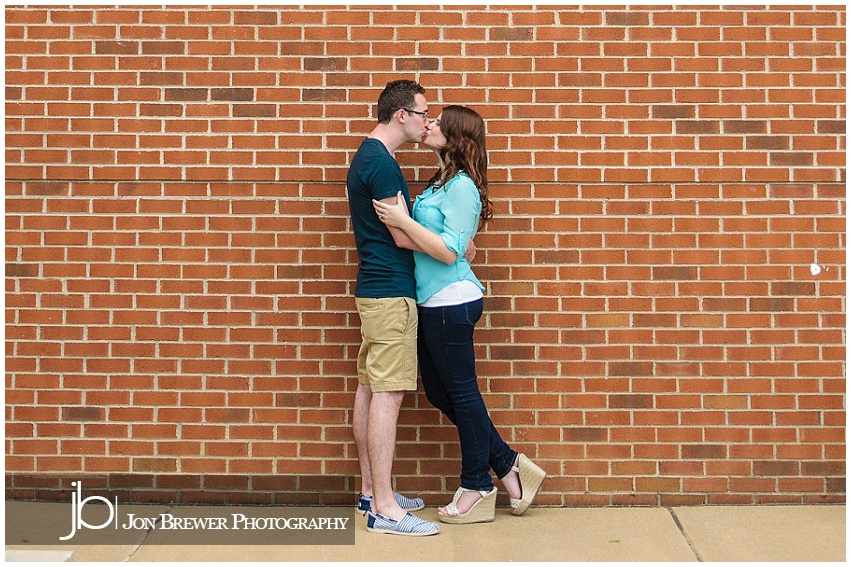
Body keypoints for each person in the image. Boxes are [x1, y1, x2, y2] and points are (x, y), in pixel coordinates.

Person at [373, 105, 547, 524]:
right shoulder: (441, 183)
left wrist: (402, 221)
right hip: (432, 300)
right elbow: (459, 244)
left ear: (455, 136)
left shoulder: (464, 186)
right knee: (440, 393)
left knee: (464, 394)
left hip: (453, 300)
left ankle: (477, 483)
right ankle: (507, 463)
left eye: (438, 122)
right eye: (428, 118)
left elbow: (450, 251)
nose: (429, 124)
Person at [346, 80, 440, 536]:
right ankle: (384, 507)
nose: (428, 122)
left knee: (370, 387)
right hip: (390, 292)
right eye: (423, 114)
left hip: (375, 289)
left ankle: (371, 490)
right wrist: (446, 246)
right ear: (401, 114)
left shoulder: (369, 156)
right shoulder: (381, 165)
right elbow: (402, 236)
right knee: (390, 393)